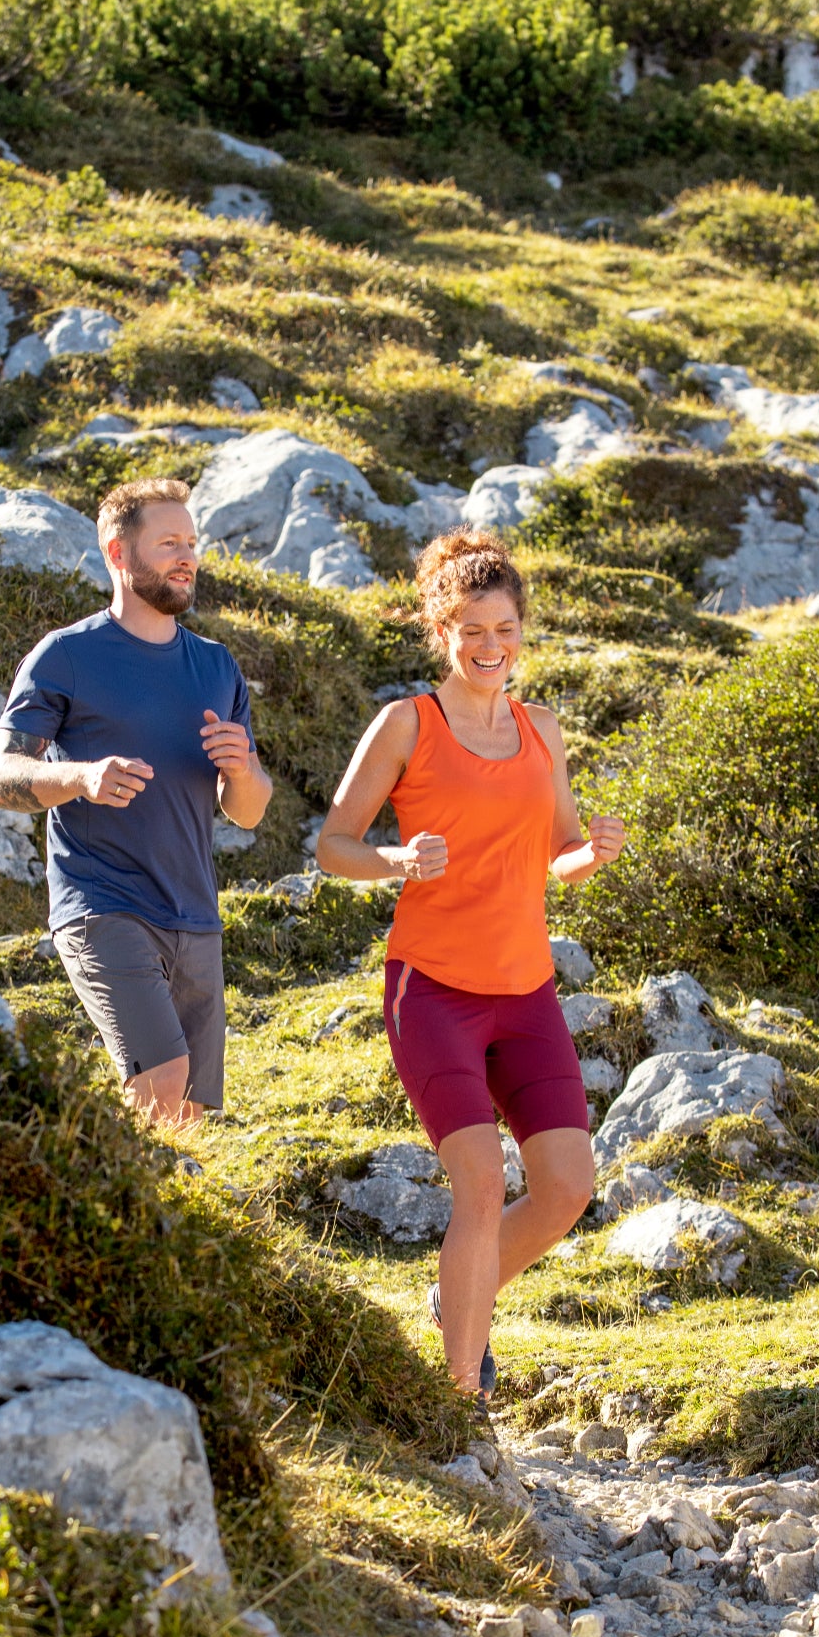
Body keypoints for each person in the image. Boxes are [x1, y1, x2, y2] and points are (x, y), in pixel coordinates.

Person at [315, 530, 626, 1398]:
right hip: (434, 992)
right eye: (473, 631)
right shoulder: (408, 724)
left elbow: (558, 849)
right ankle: (463, 1398)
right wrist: (396, 861)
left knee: (566, 1188)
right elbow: (333, 844)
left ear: (523, 630)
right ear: (441, 632)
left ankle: (459, 1297)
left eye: (506, 629)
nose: (492, 648)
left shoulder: (542, 729)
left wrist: (590, 854)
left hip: (524, 992)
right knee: (482, 1187)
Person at [0, 477, 272, 1128]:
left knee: (188, 1111)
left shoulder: (216, 666)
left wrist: (242, 769)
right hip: (103, 904)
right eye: (169, 542)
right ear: (118, 553)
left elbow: (247, 810)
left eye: (191, 543)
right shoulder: (67, 656)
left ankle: (144, 1224)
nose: (187, 556)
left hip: (194, 914)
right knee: (160, 1077)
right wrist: (80, 779)